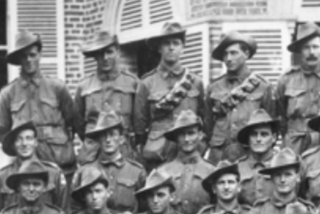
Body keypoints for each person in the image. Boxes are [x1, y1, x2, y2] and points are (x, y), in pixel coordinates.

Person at [0, 29, 77, 176]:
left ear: (40, 55)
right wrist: (22, 149)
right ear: (19, 59)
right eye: (24, 56)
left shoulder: (57, 88)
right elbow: (2, 132)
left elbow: (76, 123)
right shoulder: (7, 94)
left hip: (61, 168)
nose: (28, 60)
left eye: (32, 55)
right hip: (26, 172)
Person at [135, 22, 207, 168]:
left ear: (182, 48)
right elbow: (139, 126)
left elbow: (205, 121)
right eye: (166, 43)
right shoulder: (147, 83)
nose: (171, 47)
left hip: (189, 152)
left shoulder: (195, 82)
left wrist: (201, 145)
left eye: (176, 43)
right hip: (158, 154)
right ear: (159, 48)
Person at [275, 21, 320, 155]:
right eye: (306, 47)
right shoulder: (286, 79)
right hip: (294, 143)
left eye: (315, 46)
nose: (311, 52)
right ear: (299, 51)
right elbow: (280, 118)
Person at [205, 31, 274, 164]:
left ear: (246, 54)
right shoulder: (213, 88)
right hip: (219, 157)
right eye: (225, 54)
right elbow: (207, 126)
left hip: (250, 156)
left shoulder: (262, 87)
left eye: (233, 53)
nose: (228, 58)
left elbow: (270, 127)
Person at [73, 30, 139, 165]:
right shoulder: (84, 86)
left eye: (109, 51)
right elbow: (78, 124)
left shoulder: (133, 83)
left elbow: (139, 123)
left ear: (118, 51)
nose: (105, 57)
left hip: (123, 153)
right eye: (99, 53)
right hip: (92, 155)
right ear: (95, 57)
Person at [71, 111, 146, 214]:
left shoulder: (136, 171)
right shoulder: (84, 171)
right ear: (98, 140)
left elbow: (144, 210)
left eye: (112, 134)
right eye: (103, 135)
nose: (108, 140)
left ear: (121, 139)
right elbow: (75, 210)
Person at [0, 121, 68, 214]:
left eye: (29, 138)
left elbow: (63, 213)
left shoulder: (54, 174)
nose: (24, 144)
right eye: (19, 139)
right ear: (13, 144)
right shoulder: (1, 177)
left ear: (36, 142)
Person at [155, 110, 215, 214]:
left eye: (191, 133)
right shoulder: (163, 172)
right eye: (182, 134)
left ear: (200, 135)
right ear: (176, 138)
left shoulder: (211, 171)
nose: (187, 139)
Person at [233, 109, 279, 206]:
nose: (258, 139)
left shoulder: (281, 165)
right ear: (248, 138)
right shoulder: (237, 168)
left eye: (264, 134)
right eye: (254, 134)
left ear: (274, 138)